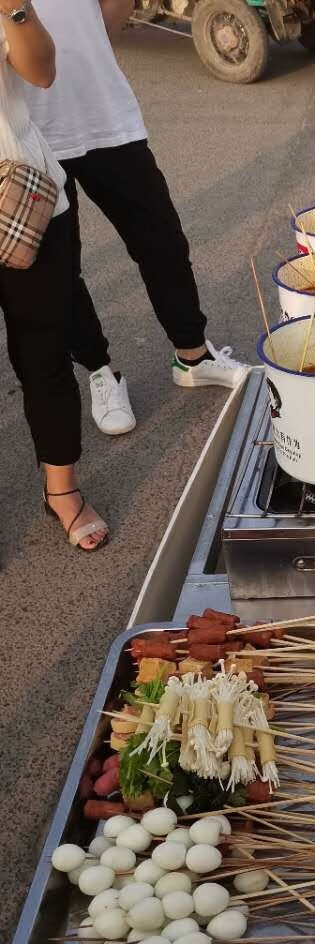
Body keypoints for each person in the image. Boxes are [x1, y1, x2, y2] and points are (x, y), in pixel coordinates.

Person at [24, 0, 245, 438]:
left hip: (104, 111)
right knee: (63, 268)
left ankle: (193, 355)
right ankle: (100, 370)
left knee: (161, 238)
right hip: (31, 129)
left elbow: (106, 20)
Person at [0, 2, 107, 550]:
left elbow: (41, 72)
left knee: (43, 350)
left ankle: (61, 490)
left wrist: (15, 8)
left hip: (21, 200)